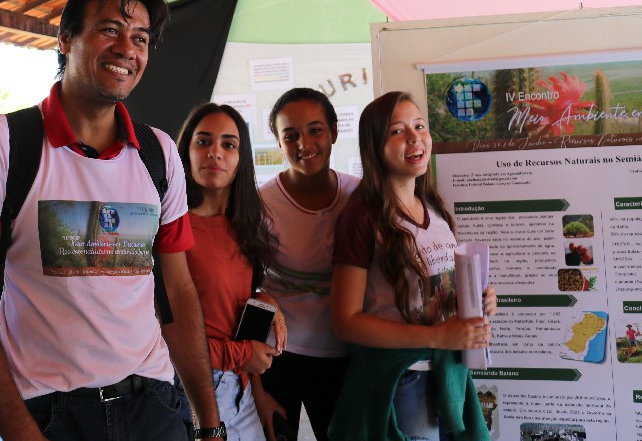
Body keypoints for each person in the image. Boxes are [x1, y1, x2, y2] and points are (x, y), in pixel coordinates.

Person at [0, 0, 224, 441]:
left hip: (154, 406)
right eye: (110, 29)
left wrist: (209, 423)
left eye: (140, 38)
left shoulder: (159, 154)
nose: (127, 49)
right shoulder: (2, 143)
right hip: (52, 413)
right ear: (66, 39)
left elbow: (178, 291)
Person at [329, 91, 496, 441]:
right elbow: (345, 321)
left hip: (449, 372)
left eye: (419, 126)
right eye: (397, 131)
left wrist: (477, 300)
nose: (414, 137)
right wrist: (436, 336)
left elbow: (433, 293)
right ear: (375, 146)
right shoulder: (361, 217)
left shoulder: (433, 207)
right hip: (403, 379)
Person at [176, 103, 285, 441]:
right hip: (194, 395)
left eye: (228, 144)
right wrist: (243, 355)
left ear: (241, 158)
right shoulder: (172, 229)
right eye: (203, 141)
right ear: (186, 151)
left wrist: (264, 299)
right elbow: (165, 340)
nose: (215, 153)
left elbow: (231, 315)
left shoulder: (244, 226)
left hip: (243, 390)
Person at [258, 88, 358, 441]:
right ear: (278, 142)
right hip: (278, 355)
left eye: (315, 130)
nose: (304, 144)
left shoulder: (360, 196)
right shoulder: (261, 204)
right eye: (290, 135)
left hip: (344, 354)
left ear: (334, 131)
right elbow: (242, 283)